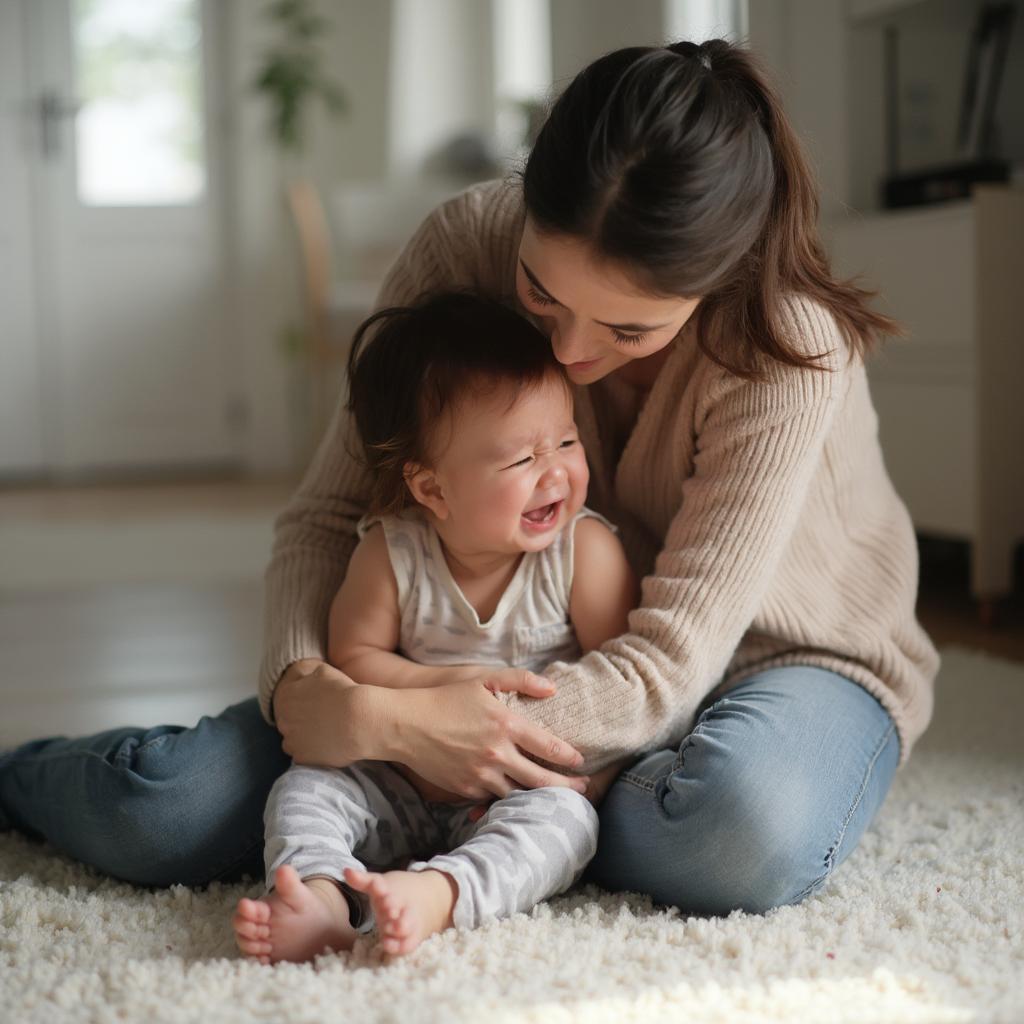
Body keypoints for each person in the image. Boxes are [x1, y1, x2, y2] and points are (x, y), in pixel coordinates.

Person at [0, 39, 938, 918]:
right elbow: (331, 514)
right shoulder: (464, 244)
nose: (568, 352)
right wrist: (318, 697)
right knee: (162, 808)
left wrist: (414, 729)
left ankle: (498, 828)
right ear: (526, 200)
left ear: (717, 277)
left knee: (731, 833)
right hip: (489, 676)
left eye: (627, 330)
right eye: (541, 293)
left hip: (781, 661)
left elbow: (666, 669)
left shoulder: (787, 346)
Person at [232, 293, 636, 963]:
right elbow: (352, 658)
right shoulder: (391, 554)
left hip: (515, 792)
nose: (556, 471)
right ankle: (322, 897)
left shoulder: (584, 554)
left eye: (566, 440)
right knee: (307, 788)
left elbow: (622, 678)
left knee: (567, 822)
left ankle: (438, 895)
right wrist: (446, 692)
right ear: (434, 491)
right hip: (395, 776)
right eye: (520, 461)